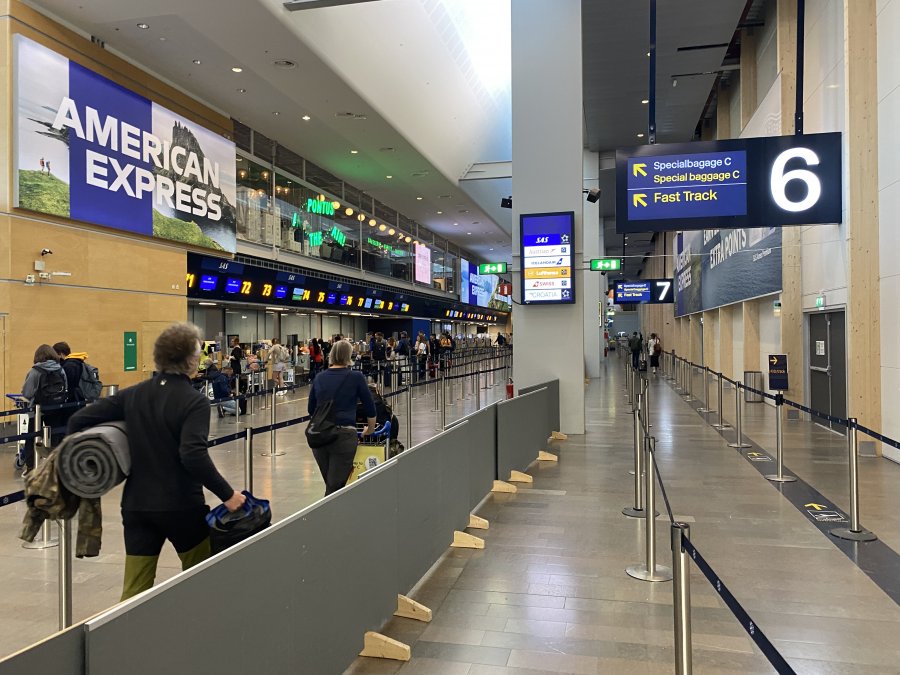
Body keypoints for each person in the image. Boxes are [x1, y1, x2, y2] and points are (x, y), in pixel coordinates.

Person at [66, 322, 245, 600]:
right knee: (201, 582)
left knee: (134, 592)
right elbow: (192, 454)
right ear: (191, 360)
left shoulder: (133, 394)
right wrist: (228, 495)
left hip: (137, 506)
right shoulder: (193, 401)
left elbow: (78, 420)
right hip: (182, 506)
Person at [307, 339, 376, 496]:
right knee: (335, 487)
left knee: (331, 484)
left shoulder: (319, 378)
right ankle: (329, 511)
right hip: (344, 436)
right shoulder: (356, 377)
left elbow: (311, 409)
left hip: (320, 436)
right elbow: (370, 407)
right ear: (349, 355)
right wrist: (370, 430)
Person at [20, 344, 68, 474]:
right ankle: (55, 465)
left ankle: (31, 467)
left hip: (37, 410)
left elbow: (27, 393)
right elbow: (65, 388)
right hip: (56, 408)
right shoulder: (60, 369)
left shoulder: (35, 371)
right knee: (55, 437)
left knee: (32, 438)